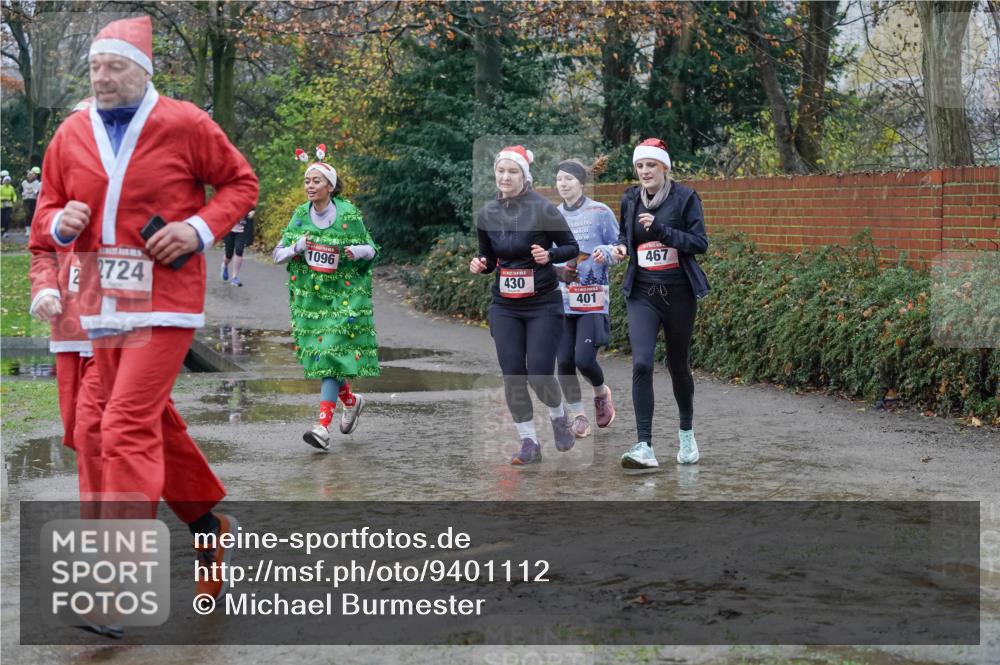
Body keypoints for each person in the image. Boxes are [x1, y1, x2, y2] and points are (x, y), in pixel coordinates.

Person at [31, 16, 258, 607]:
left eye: (115, 67)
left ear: (144, 71)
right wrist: (59, 224)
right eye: (94, 68)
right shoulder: (73, 131)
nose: (102, 78)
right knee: (113, 426)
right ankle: (207, 525)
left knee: (125, 424)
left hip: (164, 305)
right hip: (96, 306)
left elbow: (240, 183)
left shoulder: (184, 123)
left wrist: (197, 228)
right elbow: (48, 211)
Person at [597, 138, 709, 472]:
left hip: (678, 294)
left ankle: (686, 433)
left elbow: (700, 243)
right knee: (642, 363)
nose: (645, 171)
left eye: (651, 165)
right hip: (642, 293)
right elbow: (624, 237)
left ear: (664, 168)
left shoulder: (685, 198)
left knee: (677, 365)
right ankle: (644, 445)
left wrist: (662, 230)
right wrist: (620, 249)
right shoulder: (630, 198)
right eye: (640, 166)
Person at [470, 145, 580, 465]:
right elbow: (489, 258)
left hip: (543, 303)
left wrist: (551, 256)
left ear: (525, 175)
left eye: (513, 171)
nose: (506, 177)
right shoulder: (487, 213)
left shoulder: (543, 209)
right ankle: (529, 442)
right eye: (501, 171)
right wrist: (481, 264)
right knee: (513, 374)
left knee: (540, 375)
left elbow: (571, 246)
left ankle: (559, 418)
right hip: (504, 304)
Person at [272, 151, 379, 451]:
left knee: (331, 352)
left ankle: (321, 427)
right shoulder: (300, 215)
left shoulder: (348, 214)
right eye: (306, 181)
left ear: (330, 186)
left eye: (316, 180)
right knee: (324, 360)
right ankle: (351, 400)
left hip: (345, 297)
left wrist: (356, 252)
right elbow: (277, 254)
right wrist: (297, 246)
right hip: (312, 301)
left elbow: (371, 249)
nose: (309, 186)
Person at [553, 157, 619, 438]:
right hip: (563, 300)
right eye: (558, 179)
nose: (563, 184)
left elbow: (619, 247)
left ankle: (601, 392)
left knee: (584, 360)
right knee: (564, 362)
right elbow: (545, 256)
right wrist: (556, 270)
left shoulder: (600, 211)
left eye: (568, 179)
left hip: (593, 300)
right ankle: (579, 416)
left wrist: (607, 252)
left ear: (581, 182)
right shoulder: (552, 216)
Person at [221, 207, 254, 286]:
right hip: (229, 230)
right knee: (229, 254)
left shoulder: (247, 198)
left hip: (242, 230)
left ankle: (234, 277)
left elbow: (252, 206)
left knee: (239, 250)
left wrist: (253, 212)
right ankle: (224, 265)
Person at [0, 171, 16, 237]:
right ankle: (1, 231)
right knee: (2, 219)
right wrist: (2, 199)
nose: (7, 182)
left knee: (7, 219)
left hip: (9, 205)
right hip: (1, 205)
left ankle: (5, 232)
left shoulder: (11, 188)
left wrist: (14, 200)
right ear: (4, 181)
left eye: (8, 180)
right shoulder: (1, 187)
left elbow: (14, 195)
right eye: (6, 180)